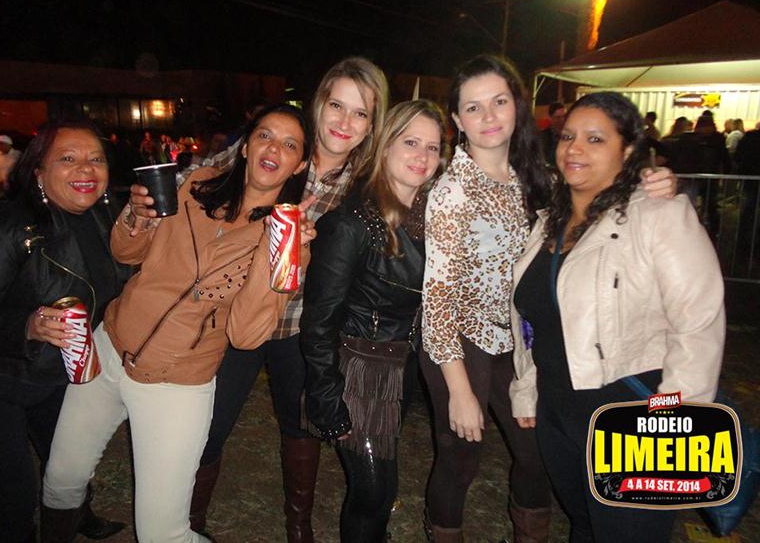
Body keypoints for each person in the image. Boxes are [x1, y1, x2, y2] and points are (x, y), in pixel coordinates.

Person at [420, 55, 677, 543]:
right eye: (473, 108)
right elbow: (437, 300)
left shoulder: (539, 176)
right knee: (460, 455)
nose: (488, 116)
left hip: (520, 340)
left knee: (535, 452)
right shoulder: (451, 193)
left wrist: (651, 183)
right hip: (460, 340)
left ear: (516, 106)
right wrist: (460, 390)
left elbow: (601, 196)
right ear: (457, 120)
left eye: (499, 101)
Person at [41, 104, 316, 543]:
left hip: (177, 382)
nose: (273, 149)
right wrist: (138, 215)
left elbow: (246, 335)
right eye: (264, 135)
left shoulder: (290, 240)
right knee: (61, 481)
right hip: (109, 348)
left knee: (161, 534)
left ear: (300, 164)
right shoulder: (196, 184)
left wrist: (275, 252)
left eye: (289, 145)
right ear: (247, 147)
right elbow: (126, 253)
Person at [509, 91, 725, 543]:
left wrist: (673, 424)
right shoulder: (550, 220)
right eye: (568, 136)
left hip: (638, 418)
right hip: (559, 413)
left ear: (627, 152)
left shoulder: (658, 214)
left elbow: (698, 324)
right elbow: (534, 320)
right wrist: (527, 388)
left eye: (595, 139)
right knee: (584, 527)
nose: (574, 148)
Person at [190, 57, 388, 542]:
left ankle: (298, 526)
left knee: (300, 428)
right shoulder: (280, 143)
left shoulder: (365, 186)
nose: (344, 122)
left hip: (301, 327)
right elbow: (205, 176)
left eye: (360, 113)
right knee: (210, 425)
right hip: (239, 313)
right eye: (336, 105)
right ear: (319, 105)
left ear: (371, 125)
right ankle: (186, 523)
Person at [0, 120, 131, 542]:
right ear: (38, 171)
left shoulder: (106, 217)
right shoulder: (4, 225)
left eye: (96, 159)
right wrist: (27, 326)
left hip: (57, 374)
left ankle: (79, 517)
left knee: (70, 464)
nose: (86, 169)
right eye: (68, 159)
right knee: (14, 494)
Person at [301, 99, 445, 542]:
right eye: (411, 142)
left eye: (433, 147)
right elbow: (319, 321)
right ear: (385, 146)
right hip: (357, 373)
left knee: (382, 492)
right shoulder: (351, 223)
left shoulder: (432, 218)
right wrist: (327, 398)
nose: (422, 156)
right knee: (372, 492)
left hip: (398, 371)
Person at [540, 102, 565, 166]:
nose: (562, 120)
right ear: (550, 118)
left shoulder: (570, 136)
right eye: (558, 117)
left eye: (564, 116)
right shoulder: (542, 137)